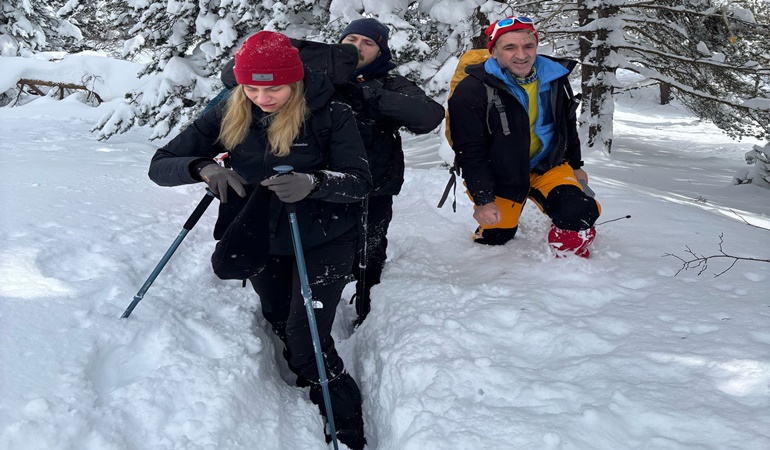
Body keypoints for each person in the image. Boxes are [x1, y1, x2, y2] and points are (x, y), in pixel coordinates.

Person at [148, 31, 371, 449]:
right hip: (262, 233)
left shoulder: (331, 112)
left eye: (274, 88)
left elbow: (359, 183)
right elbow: (161, 164)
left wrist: (314, 181)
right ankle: (302, 367)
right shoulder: (229, 108)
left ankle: (342, 418)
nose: (262, 97)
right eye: (251, 87)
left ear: (296, 81)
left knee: (307, 337)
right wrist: (202, 168)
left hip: (324, 237)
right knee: (278, 317)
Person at [448, 16, 601, 257]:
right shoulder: (472, 90)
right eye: (510, 47)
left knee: (579, 211)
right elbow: (470, 150)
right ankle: (500, 224)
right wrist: (483, 199)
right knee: (498, 236)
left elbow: (566, 125)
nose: (522, 55)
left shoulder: (554, 78)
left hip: (546, 165)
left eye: (528, 46)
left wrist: (575, 165)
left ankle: (568, 266)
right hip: (499, 172)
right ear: (494, 51)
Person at [336, 18, 445, 323]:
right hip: (327, 180)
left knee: (371, 246)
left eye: (368, 42)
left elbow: (429, 116)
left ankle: (366, 303)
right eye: (352, 39)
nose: (357, 47)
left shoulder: (390, 83)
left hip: (375, 184)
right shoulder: (322, 76)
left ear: (380, 51)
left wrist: (371, 94)